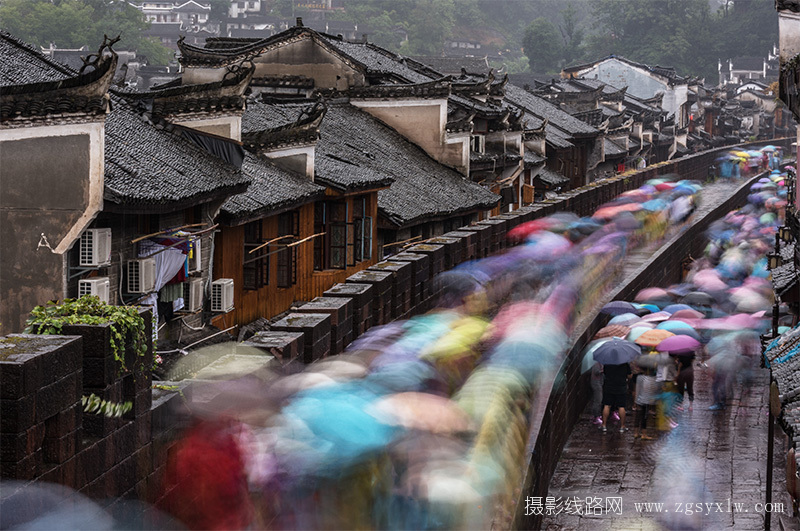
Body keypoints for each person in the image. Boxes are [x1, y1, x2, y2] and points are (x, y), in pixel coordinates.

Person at [601, 362, 631, 433]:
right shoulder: (625, 363)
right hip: (621, 388)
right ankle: (622, 426)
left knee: (607, 405)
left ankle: (604, 425)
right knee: (621, 407)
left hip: (609, 387)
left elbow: (605, 373)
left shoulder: (607, 363)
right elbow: (629, 376)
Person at [633, 368, 658, 440]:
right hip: (645, 399)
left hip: (639, 399)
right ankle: (644, 434)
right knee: (644, 417)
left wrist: (635, 401)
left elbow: (636, 390)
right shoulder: (648, 379)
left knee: (637, 416)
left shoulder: (639, 378)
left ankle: (636, 433)